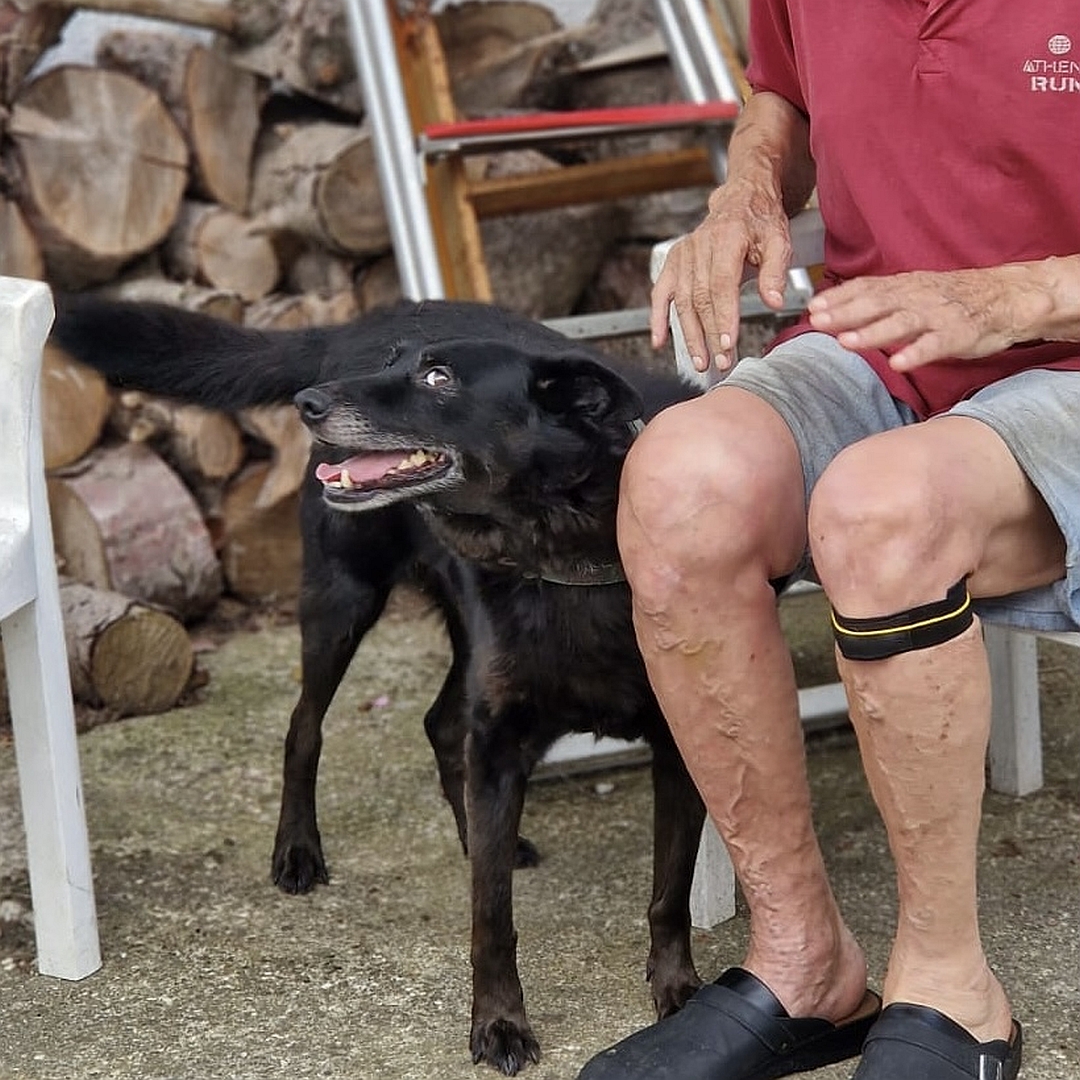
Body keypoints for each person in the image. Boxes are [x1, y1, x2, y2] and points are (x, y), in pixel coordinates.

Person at [576, 4, 1080, 1080]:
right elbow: (785, 93)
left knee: (880, 510)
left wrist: (1023, 292)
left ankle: (951, 989)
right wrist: (747, 189)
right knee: (677, 481)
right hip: (887, 346)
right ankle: (805, 964)